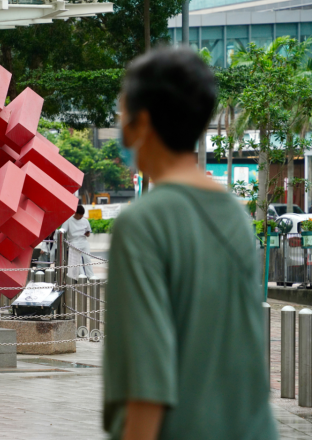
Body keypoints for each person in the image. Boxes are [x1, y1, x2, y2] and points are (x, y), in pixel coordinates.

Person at [103, 47, 277, 439]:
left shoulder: (143, 223)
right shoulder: (235, 215)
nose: (122, 129)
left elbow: (146, 384)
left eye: (122, 116)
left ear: (143, 122)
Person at [61, 205, 94, 279]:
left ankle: (90, 276)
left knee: (87, 258)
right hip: (73, 242)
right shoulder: (68, 220)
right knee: (78, 261)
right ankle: (82, 277)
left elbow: (88, 232)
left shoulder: (85, 220)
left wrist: (87, 233)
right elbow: (63, 230)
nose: (81, 216)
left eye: (82, 214)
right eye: (80, 214)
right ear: (75, 213)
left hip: (83, 241)